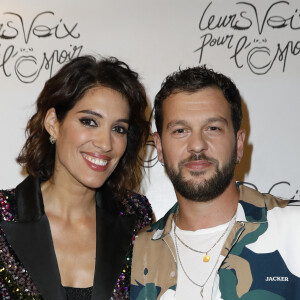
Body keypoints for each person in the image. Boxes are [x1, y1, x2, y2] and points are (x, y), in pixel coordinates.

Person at [130, 66, 300, 299]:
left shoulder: (294, 228)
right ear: (159, 147)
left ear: (238, 144)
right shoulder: (138, 252)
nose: (197, 145)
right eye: (180, 130)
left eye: (213, 128)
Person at [0, 55, 152, 300]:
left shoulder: (136, 215)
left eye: (118, 129)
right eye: (89, 122)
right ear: (53, 123)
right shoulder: (4, 213)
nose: (105, 143)